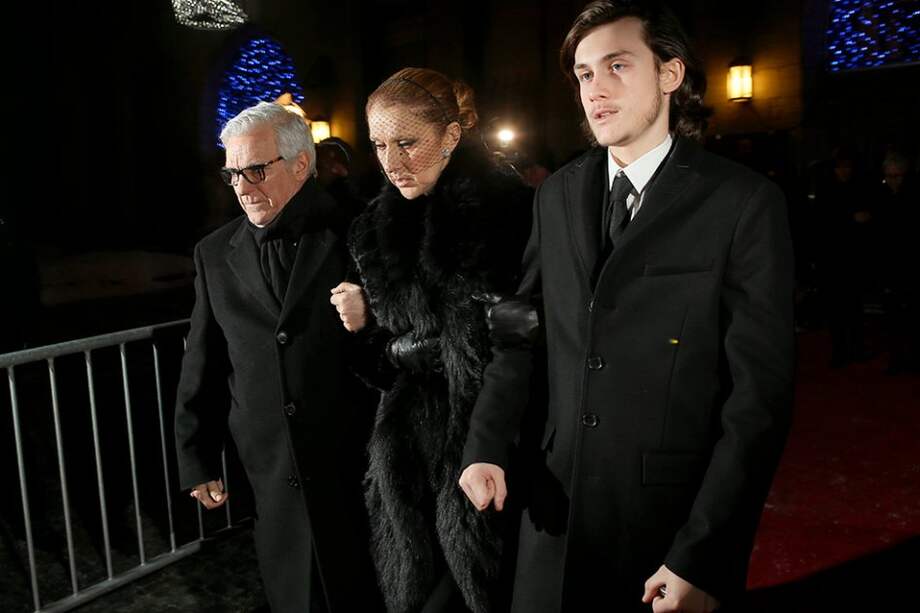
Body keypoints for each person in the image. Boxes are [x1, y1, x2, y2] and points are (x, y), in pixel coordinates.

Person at [459, 2, 795, 612]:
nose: (597, 89)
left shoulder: (742, 202)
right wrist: (485, 442)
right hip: (551, 513)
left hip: (665, 526)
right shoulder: (556, 194)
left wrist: (705, 553)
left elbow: (758, 401)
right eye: (585, 74)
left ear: (670, 74)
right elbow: (521, 334)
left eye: (617, 65)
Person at [338, 67, 532, 612]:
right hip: (407, 456)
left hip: (494, 445)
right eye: (379, 145)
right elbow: (382, 369)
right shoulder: (372, 229)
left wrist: (409, 348)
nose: (392, 162)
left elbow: (512, 343)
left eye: (407, 142)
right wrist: (362, 331)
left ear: (451, 135)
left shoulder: (508, 213)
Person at [174, 101, 381, 612]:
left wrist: (369, 318)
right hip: (270, 475)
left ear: (300, 165)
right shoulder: (213, 254)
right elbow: (204, 359)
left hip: (357, 467)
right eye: (232, 173)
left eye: (256, 170)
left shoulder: (362, 232)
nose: (242, 186)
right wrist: (196, 455)